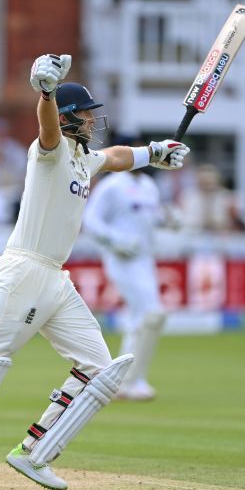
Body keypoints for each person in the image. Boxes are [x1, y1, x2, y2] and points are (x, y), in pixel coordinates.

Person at [0, 54, 190, 490]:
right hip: (24, 269)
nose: (92, 122)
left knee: (99, 370)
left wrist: (155, 153)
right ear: (70, 119)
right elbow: (47, 128)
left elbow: (117, 156)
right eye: (86, 116)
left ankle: (35, 452)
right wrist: (46, 93)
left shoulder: (86, 160)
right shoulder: (49, 152)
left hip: (54, 278)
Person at [83, 164, 172, 401]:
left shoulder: (148, 185)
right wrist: (116, 240)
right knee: (152, 314)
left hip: (145, 258)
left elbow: (152, 217)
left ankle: (127, 381)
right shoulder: (112, 185)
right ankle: (129, 381)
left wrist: (169, 219)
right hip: (122, 258)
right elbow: (90, 220)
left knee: (140, 318)